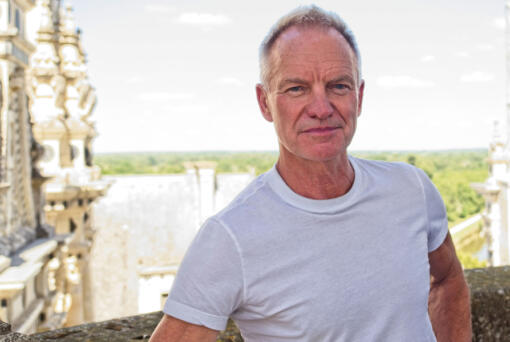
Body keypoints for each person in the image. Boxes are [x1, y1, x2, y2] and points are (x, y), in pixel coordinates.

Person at [150, 5, 471, 342]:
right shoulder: (230, 238)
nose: (321, 109)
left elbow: (449, 280)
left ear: (359, 97)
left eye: (338, 86)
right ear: (264, 103)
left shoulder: (411, 189)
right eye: (296, 89)